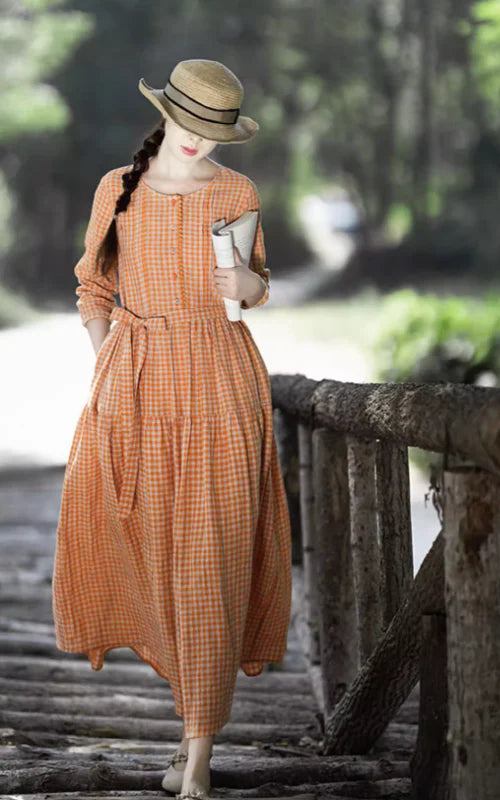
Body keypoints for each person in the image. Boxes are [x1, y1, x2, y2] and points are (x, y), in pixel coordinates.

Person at [51, 59, 292, 800]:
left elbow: (254, 287)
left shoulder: (237, 192)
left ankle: (199, 757)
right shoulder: (116, 190)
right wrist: (108, 363)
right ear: (165, 113)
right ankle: (188, 725)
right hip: (136, 385)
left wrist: (250, 285)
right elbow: (93, 286)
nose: (196, 139)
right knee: (156, 554)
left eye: (212, 130)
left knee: (211, 561)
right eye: (188, 122)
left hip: (222, 385)